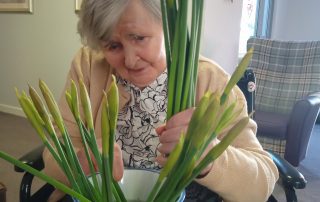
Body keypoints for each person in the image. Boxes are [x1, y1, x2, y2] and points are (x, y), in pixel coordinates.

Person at [43, 0, 279, 201]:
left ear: (167, 28)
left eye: (139, 38)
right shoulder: (88, 65)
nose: (131, 60)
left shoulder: (211, 81)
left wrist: (208, 156)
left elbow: (262, 182)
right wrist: (82, 162)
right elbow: (55, 151)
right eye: (113, 46)